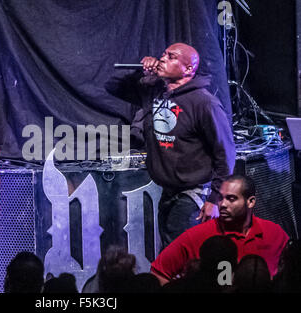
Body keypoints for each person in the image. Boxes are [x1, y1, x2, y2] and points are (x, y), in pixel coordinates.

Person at [106, 43, 236, 248]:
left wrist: (215, 198)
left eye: (172, 56)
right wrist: (140, 72)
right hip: (168, 191)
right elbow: (112, 86)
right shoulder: (155, 93)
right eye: (163, 54)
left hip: (193, 193)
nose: (163, 58)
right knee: (170, 253)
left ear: (188, 69)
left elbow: (225, 153)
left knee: (181, 254)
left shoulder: (203, 103)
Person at [151, 174, 289, 286]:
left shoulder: (274, 234)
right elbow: (158, 272)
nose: (222, 204)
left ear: (251, 201)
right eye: (220, 198)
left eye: (231, 199)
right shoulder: (197, 235)